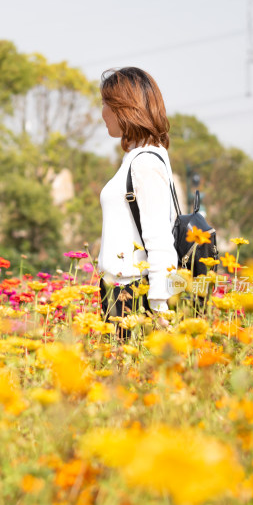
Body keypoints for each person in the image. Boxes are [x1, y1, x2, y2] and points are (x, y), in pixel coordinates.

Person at [97, 67, 178, 338]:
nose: (102, 113)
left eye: (105, 104)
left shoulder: (145, 162)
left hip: (133, 297)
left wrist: (158, 305)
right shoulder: (138, 158)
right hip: (120, 293)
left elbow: (159, 238)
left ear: (124, 107)